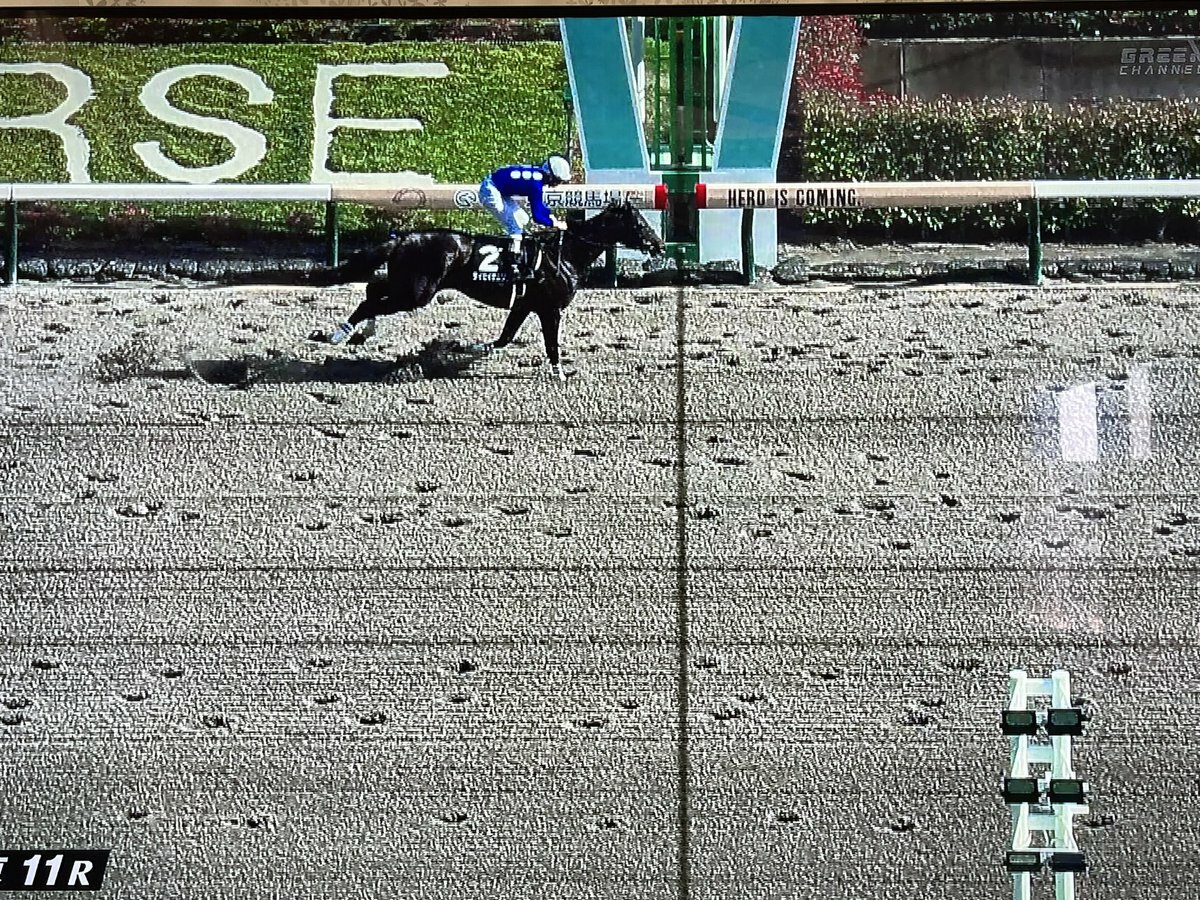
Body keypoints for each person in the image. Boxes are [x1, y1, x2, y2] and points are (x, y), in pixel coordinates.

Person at [478, 154, 571, 281]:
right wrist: (555, 224)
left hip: (497, 188)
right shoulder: (536, 185)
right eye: (557, 180)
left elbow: (540, 208)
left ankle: (516, 251)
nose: (558, 184)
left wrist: (551, 217)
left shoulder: (537, 176)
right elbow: (537, 216)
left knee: (523, 219)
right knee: (515, 226)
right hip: (491, 190)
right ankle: (513, 264)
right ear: (550, 175)